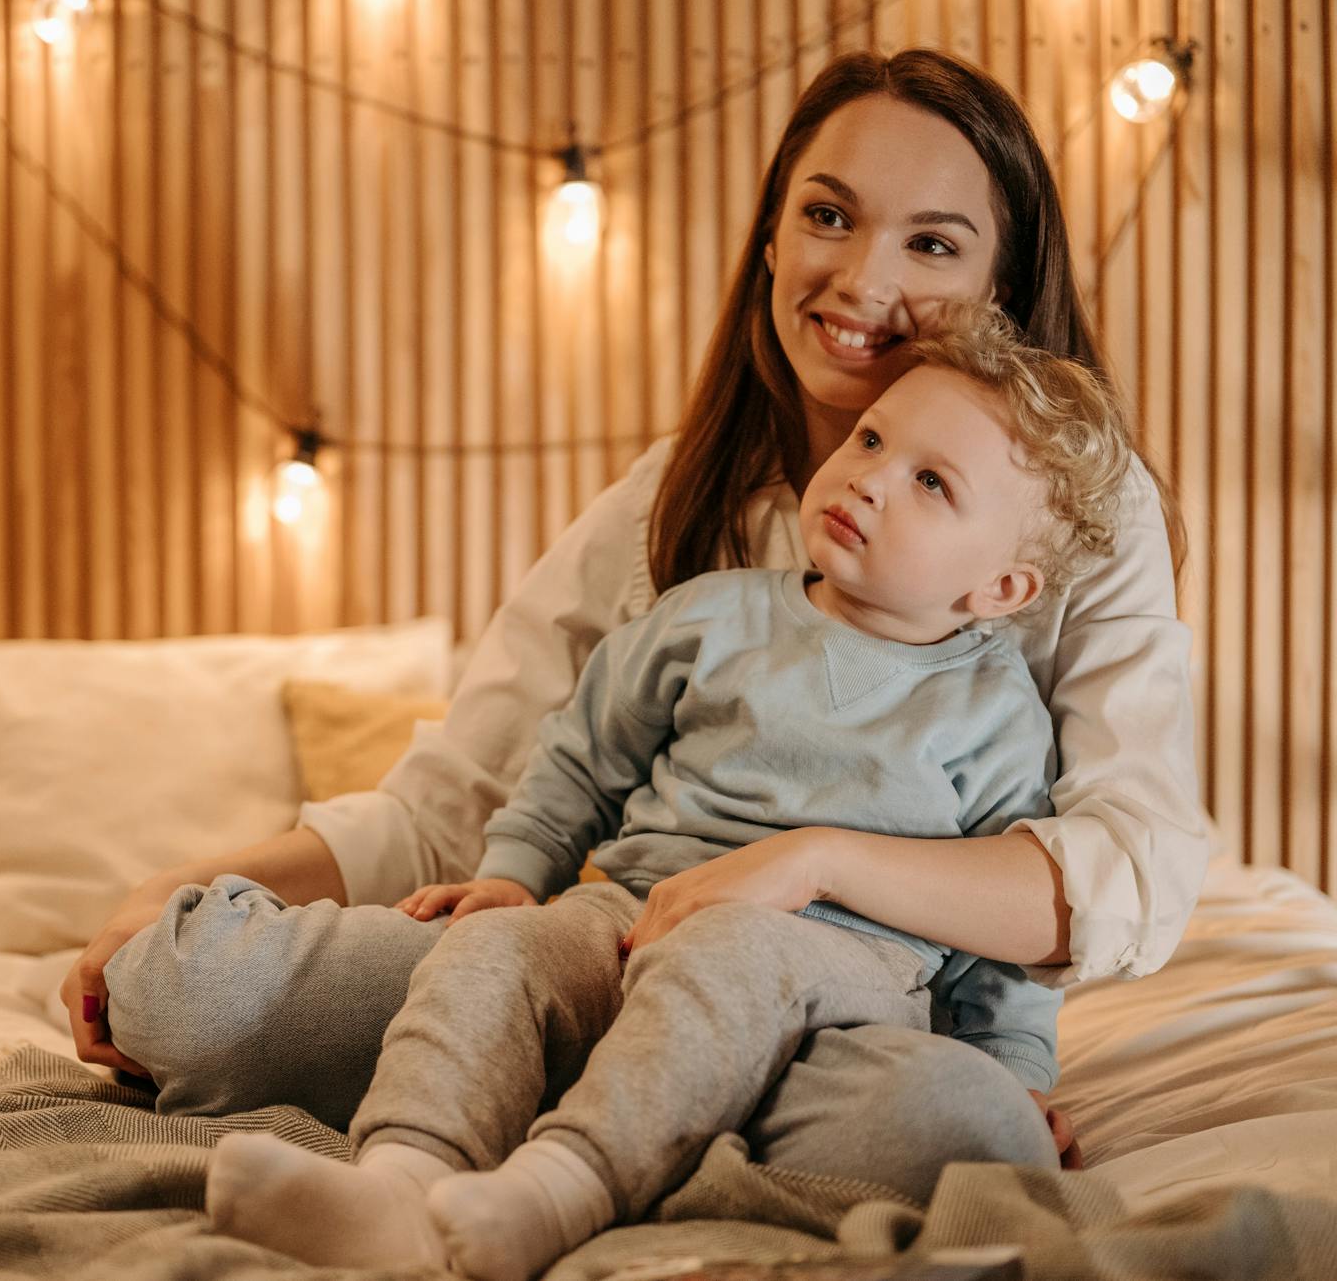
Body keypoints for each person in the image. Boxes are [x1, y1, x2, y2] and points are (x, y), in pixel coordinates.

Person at [61, 47, 1207, 1197]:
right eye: (828, 215)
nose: (863, 277)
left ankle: (572, 1113)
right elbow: (465, 796)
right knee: (189, 981)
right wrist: (170, 889)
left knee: (957, 1128)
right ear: (771, 238)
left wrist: (813, 868)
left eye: (933, 243)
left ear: (1001, 293)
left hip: (838, 1011)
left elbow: (1125, 866)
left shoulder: (1078, 527)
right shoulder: (684, 495)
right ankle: (580, 1105)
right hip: (600, 951)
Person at [200, 308, 1133, 1277]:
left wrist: (1018, 1077)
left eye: (931, 482)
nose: (869, 475)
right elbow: (578, 757)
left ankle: (562, 1188)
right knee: (496, 947)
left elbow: (1001, 950)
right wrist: (516, 875)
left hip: (840, 980)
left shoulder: (995, 716)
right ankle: (402, 1183)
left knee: (941, 1100)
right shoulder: (708, 618)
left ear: (1003, 588)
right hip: (637, 915)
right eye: (870, 438)